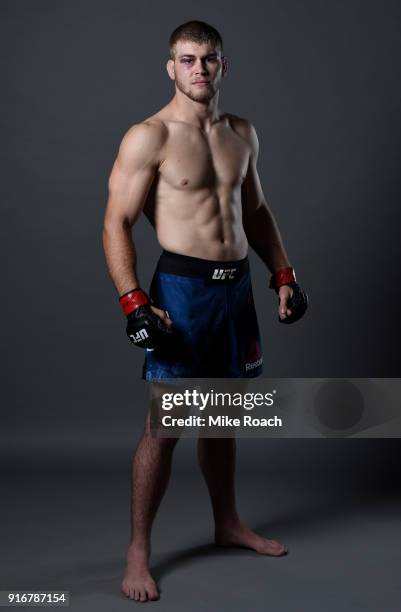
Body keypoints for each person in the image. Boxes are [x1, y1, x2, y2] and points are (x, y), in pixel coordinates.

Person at [102, 20, 307, 603]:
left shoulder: (242, 132)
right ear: (170, 67)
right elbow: (115, 222)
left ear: (224, 65)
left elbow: (258, 210)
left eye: (209, 59)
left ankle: (227, 523)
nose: (199, 69)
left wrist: (283, 273)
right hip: (183, 291)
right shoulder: (150, 136)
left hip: (235, 289)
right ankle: (139, 548)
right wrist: (134, 299)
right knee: (164, 427)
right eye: (187, 60)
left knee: (222, 418)